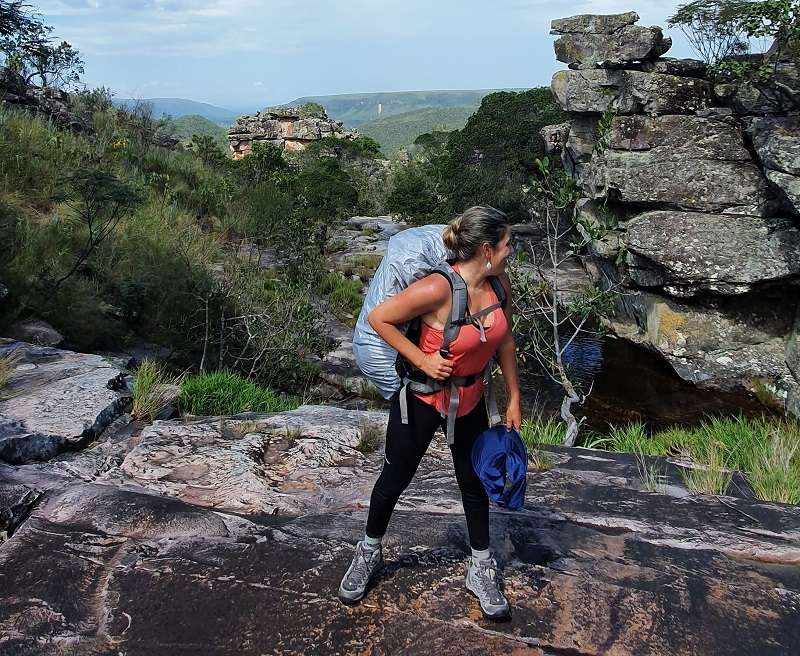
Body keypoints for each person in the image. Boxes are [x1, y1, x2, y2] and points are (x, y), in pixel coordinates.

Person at [338, 206, 522, 620]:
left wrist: (513, 397)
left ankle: (480, 566)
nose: (513, 250)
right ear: (487, 249)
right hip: (421, 401)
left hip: (471, 402)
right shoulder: (439, 287)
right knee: (394, 479)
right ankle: (369, 552)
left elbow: (504, 341)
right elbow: (379, 318)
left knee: (473, 484)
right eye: (509, 243)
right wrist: (422, 361)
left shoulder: (499, 286)